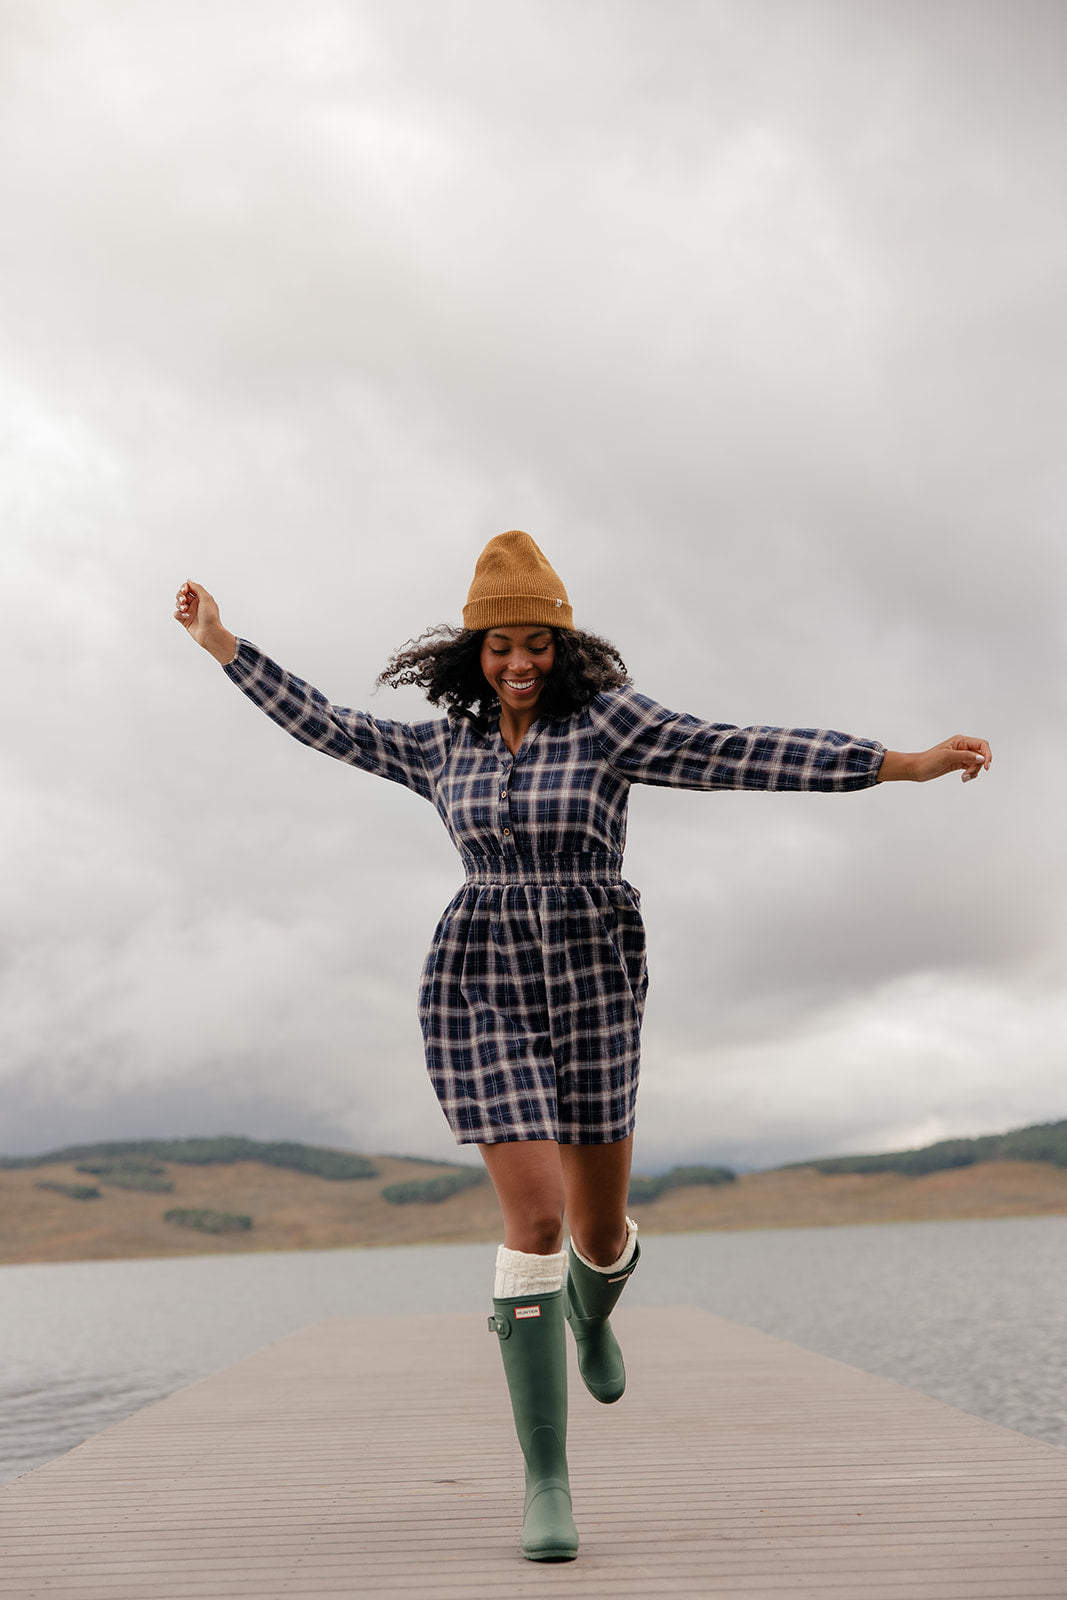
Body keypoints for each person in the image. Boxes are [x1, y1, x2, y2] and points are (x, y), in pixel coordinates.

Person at [175, 530, 991, 1563]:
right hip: (479, 982)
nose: (517, 662)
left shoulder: (611, 727)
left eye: (537, 644)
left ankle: (594, 1301)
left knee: (596, 1233)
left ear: (564, 648)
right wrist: (222, 643)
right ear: (470, 651)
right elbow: (328, 726)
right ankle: (546, 1482)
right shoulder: (441, 748)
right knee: (536, 1216)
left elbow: (733, 748)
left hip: (594, 981)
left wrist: (895, 764)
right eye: (498, 644)